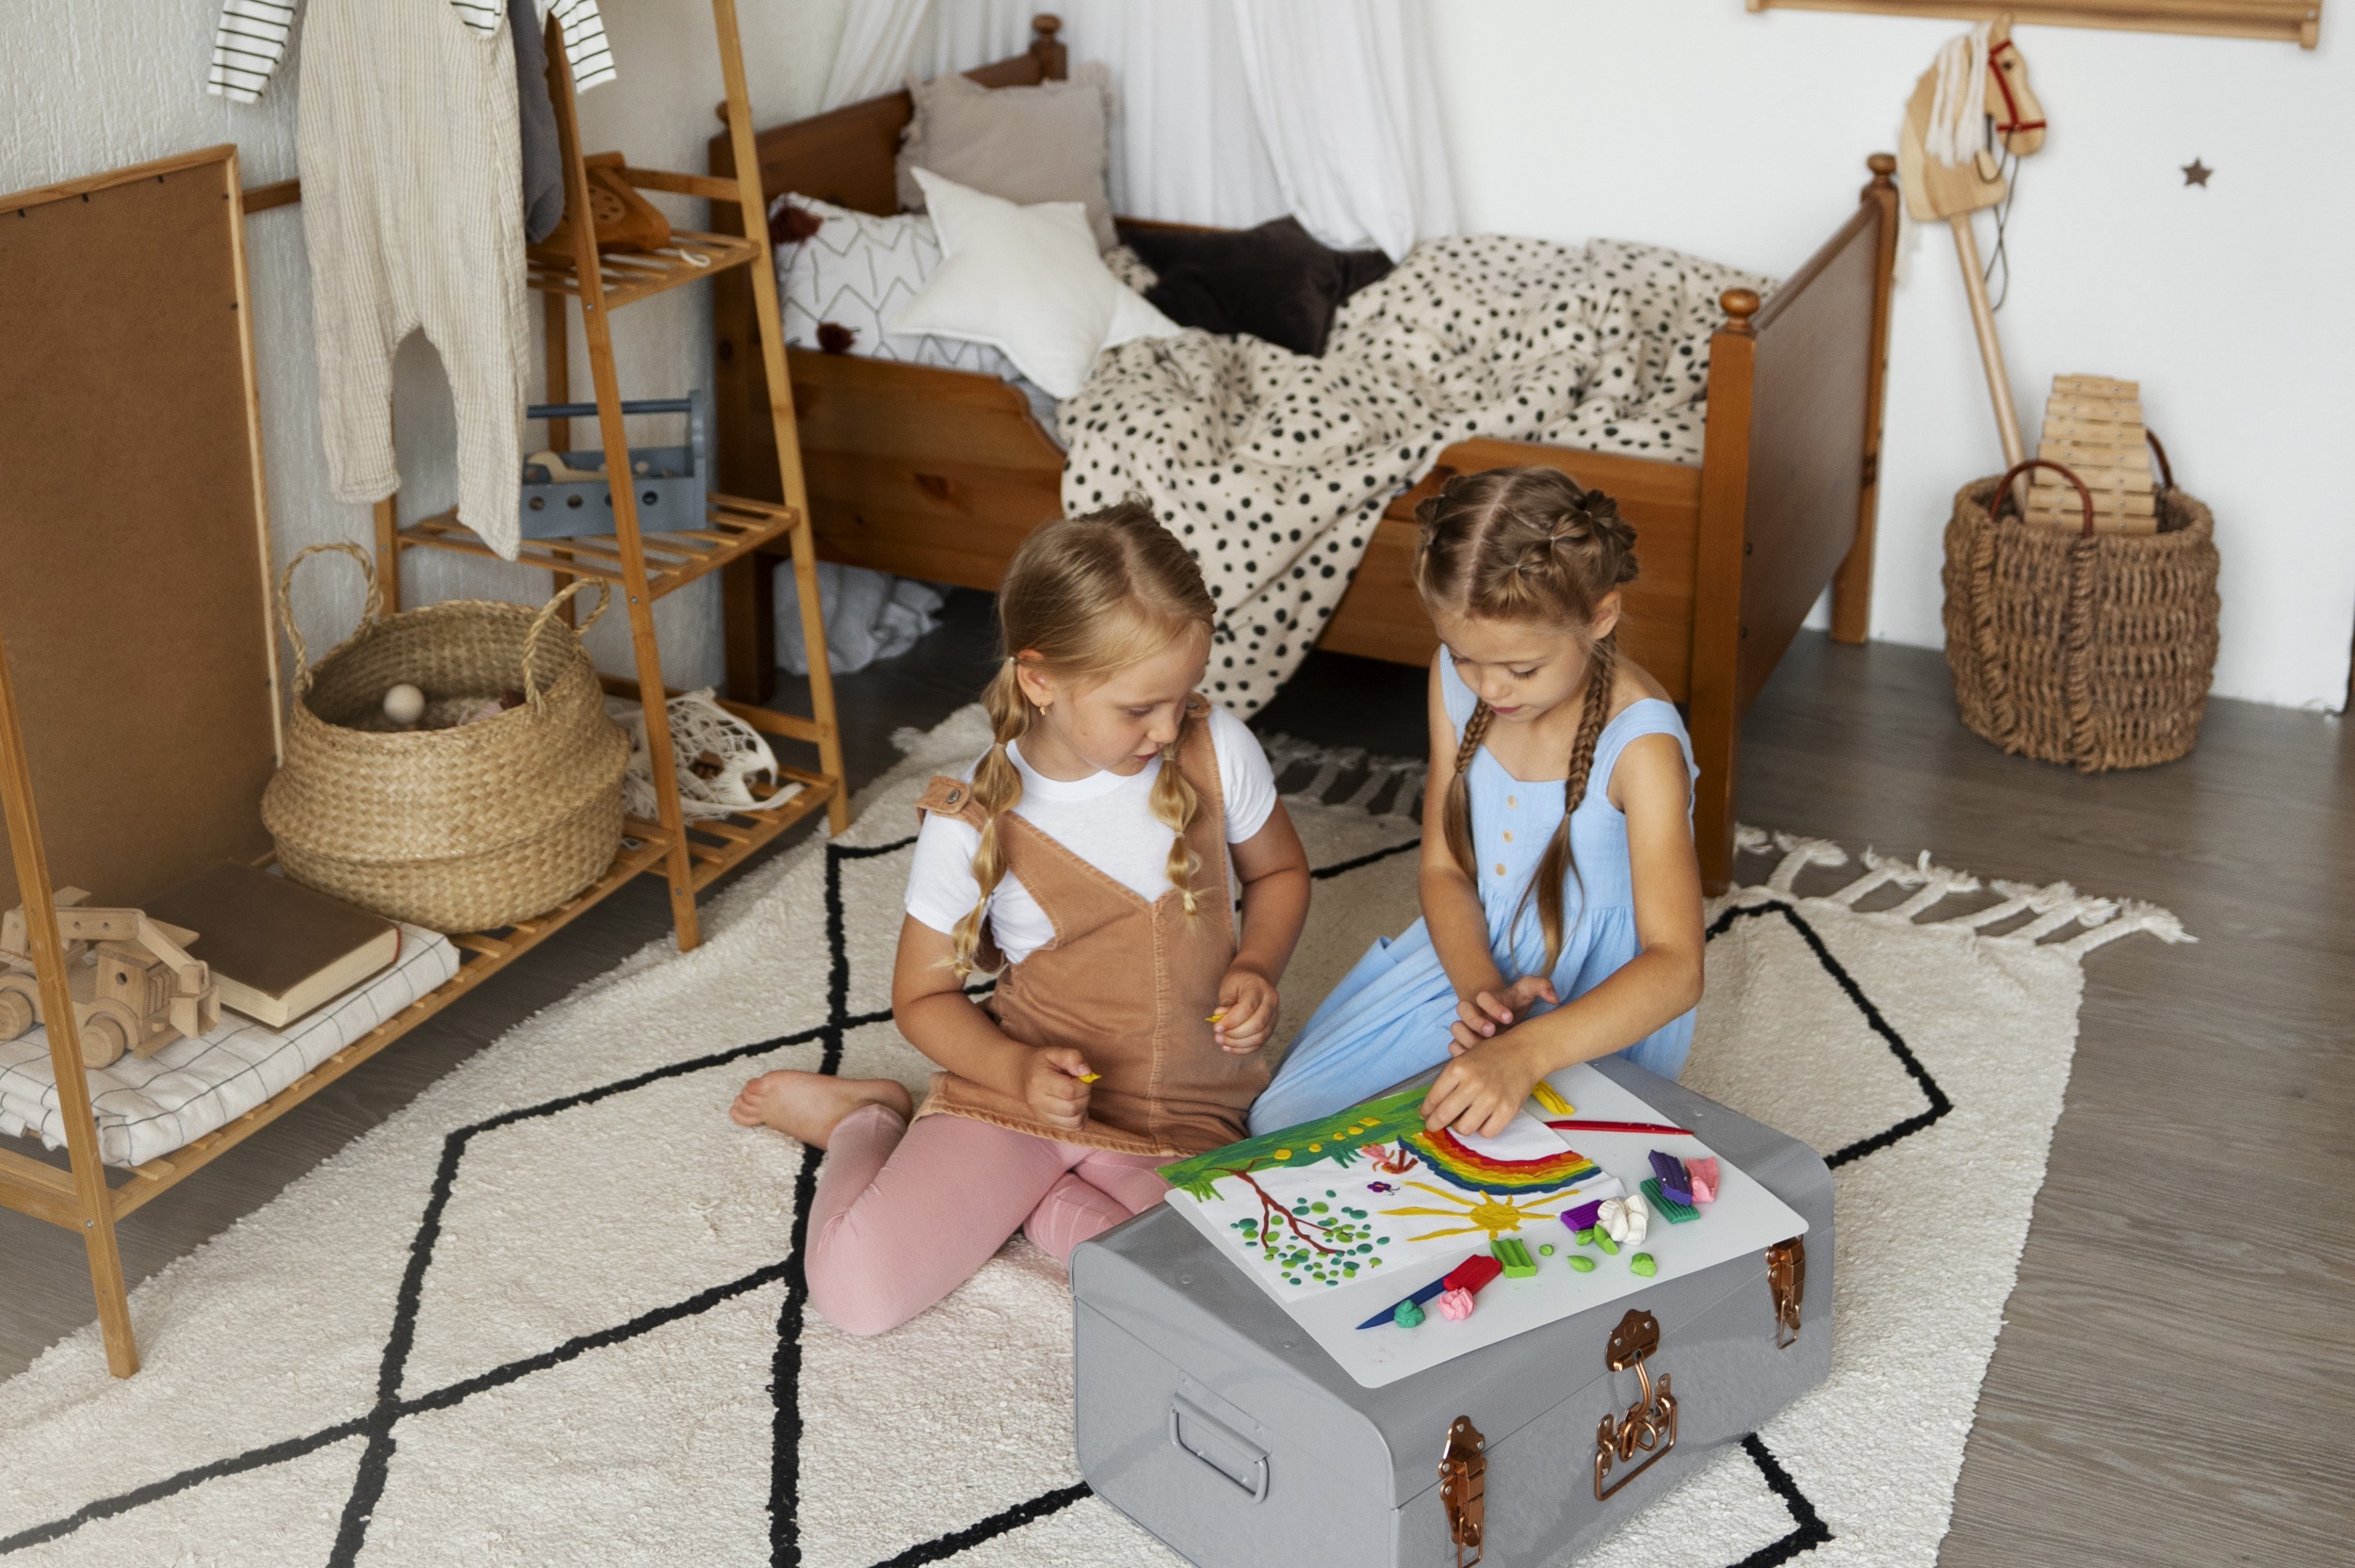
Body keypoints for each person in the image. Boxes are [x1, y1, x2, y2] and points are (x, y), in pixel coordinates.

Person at [730, 501, 1311, 1335]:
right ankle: (865, 1118)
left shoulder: (1218, 748)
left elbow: (1283, 872)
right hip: (1022, 1093)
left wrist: (1257, 962)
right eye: (1139, 707)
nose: (1167, 725)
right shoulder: (973, 817)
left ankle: (1040, 1202)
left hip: (1183, 1109)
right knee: (857, 1294)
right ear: (1039, 678)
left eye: (1180, 699)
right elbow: (923, 1000)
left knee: (1220, 1289)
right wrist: (1014, 1074)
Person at [1250, 467, 1704, 1140]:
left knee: (1517, 1173)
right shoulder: (1455, 678)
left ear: (1600, 617)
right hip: (1471, 961)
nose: (1490, 687)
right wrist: (1482, 997)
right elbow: (1444, 870)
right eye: (1465, 656)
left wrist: (1521, 1051)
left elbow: (1677, 967)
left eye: (1521, 669)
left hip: (1593, 1009)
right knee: (1282, 1127)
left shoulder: (1641, 747)